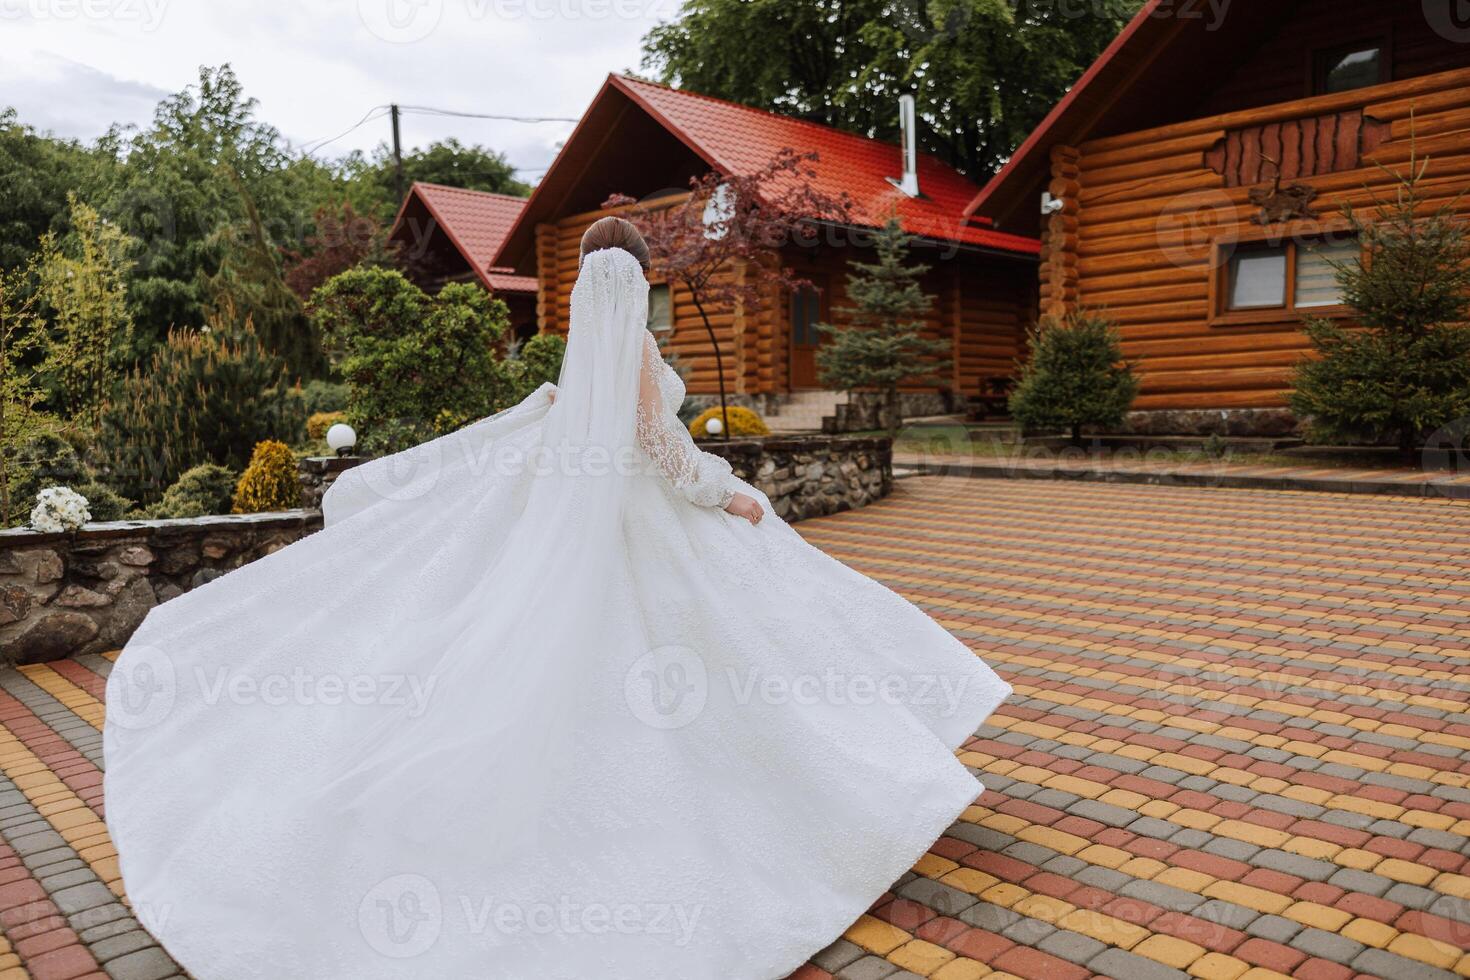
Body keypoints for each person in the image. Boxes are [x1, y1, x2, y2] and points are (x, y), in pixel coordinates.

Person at [104, 216, 1012, 980]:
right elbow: (661, 446)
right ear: (642, 281)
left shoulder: (581, 353)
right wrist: (728, 495)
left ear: (582, 285)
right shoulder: (636, 350)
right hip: (655, 523)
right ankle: (836, 793)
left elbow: (590, 432)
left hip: (608, 521)